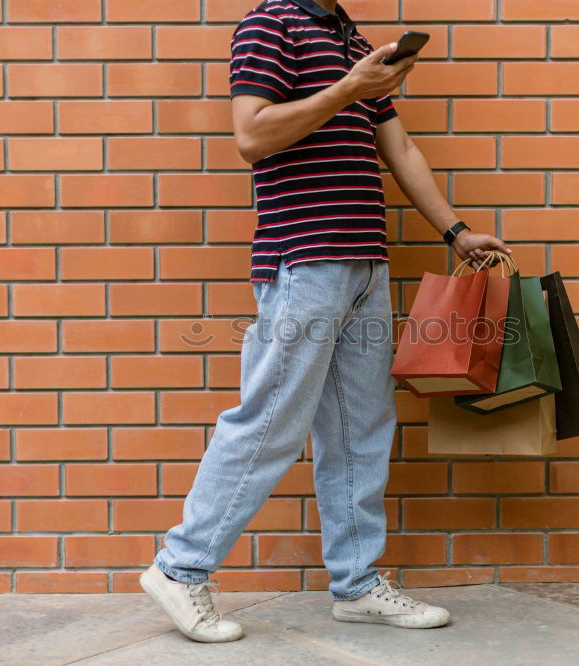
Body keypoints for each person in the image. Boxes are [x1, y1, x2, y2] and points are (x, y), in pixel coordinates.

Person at [139, 0, 511, 643]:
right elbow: (251, 136)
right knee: (271, 419)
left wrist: (454, 232)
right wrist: (348, 88)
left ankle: (358, 584)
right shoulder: (269, 24)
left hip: (365, 262)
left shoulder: (352, 36)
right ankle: (180, 567)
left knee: (362, 427)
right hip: (304, 262)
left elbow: (400, 146)